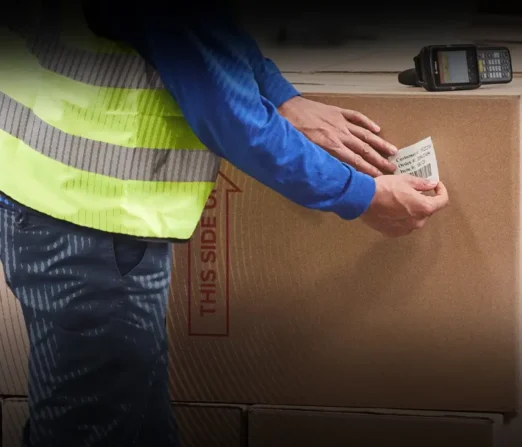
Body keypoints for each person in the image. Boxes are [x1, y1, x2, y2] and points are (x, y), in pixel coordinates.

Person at [0, 0, 450, 445]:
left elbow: (206, 28)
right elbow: (231, 118)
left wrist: (279, 94)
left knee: (131, 425)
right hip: (89, 224)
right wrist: (363, 196)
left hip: (71, 205)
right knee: (96, 429)